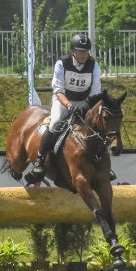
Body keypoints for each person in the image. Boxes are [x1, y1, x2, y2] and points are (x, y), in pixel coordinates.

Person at [27, 33, 102, 183]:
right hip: (63, 101)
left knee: (97, 128)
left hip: (85, 102)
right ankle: (40, 162)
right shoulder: (62, 63)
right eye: (80, 51)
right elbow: (58, 90)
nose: (83, 54)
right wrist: (69, 105)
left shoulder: (94, 65)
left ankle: (101, 164)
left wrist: (84, 105)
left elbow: (95, 92)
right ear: (73, 51)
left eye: (86, 51)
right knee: (54, 124)